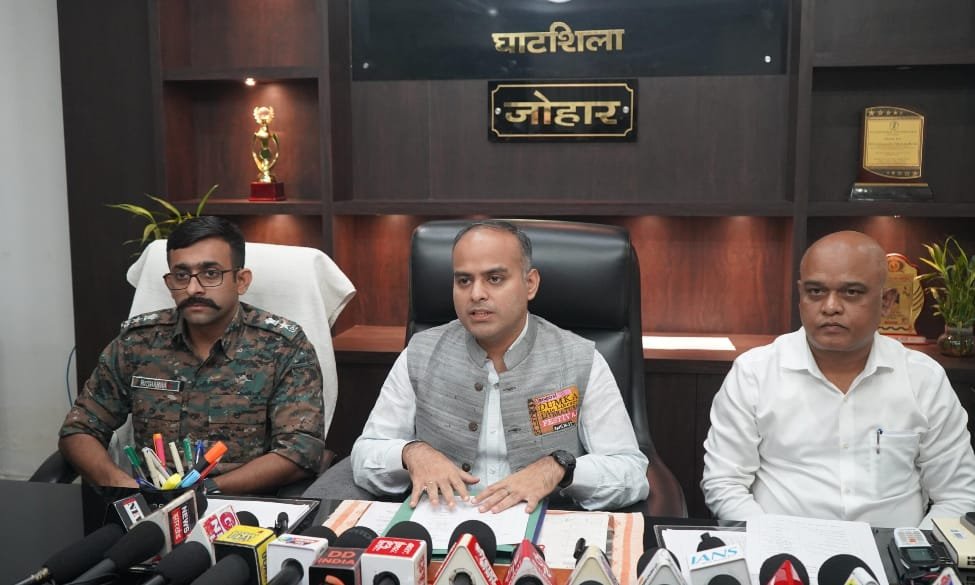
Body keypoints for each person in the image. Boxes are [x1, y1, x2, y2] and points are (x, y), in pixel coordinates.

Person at [329, 220, 649, 512]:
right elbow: (366, 454)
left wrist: (559, 469)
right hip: (441, 524)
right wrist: (411, 453)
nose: (477, 294)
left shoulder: (580, 359)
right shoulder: (420, 353)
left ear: (530, 283)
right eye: (464, 280)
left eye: (495, 279)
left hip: (543, 528)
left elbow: (632, 473)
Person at [701, 230, 975, 528]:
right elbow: (725, 482)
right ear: (801, 296)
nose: (830, 306)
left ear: (886, 302)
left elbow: (958, 494)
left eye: (851, 292)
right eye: (815, 291)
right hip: (780, 548)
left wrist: (915, 550)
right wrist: (772, 541)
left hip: (894, 550)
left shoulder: (923, 378)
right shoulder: (755, 372)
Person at [59, 216, 329, 494]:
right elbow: (79, 429)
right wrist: (121, 484)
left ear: (241, 280)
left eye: (210, 274)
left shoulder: (282, 347)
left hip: (241, 505)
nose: (193, 289)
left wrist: (203, 490)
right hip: (149, 504)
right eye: (181, 275)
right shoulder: (138, 343)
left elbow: (300, 451)